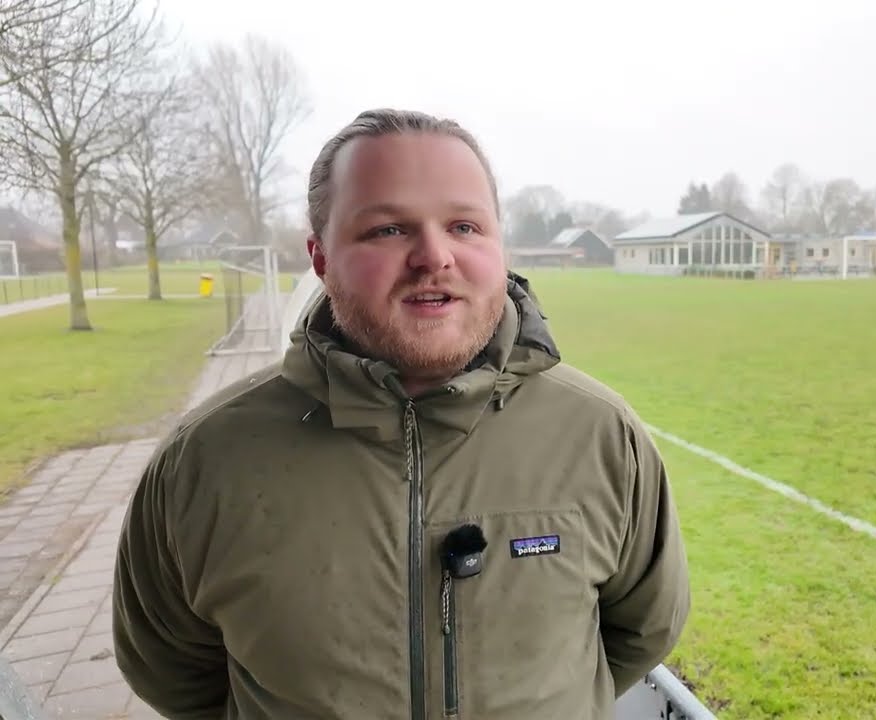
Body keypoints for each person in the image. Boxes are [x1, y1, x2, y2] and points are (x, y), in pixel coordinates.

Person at [112, 108, 691, 720]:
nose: (433, 256)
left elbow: (641, 632)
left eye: (465, 226)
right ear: (319, 257)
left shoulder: (601, 435)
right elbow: (173, 673)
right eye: (388, 230)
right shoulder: (204, 461)